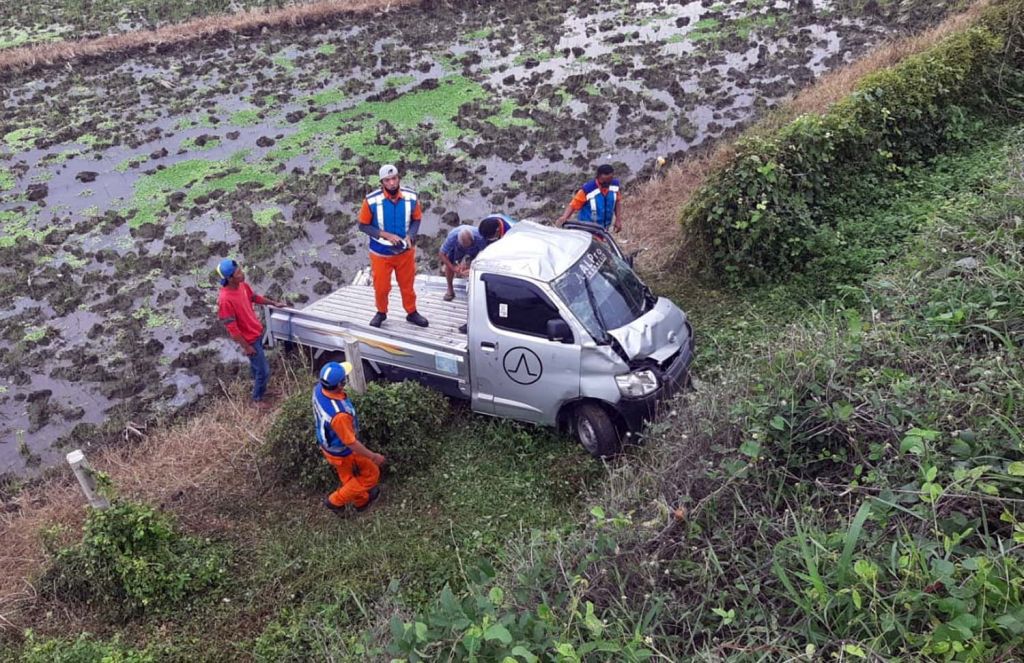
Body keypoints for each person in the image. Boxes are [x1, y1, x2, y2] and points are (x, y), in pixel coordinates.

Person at [357, 164, 429, 328]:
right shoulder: (371, 201)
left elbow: (417, 219)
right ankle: (381, 312)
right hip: (381, 253)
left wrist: (411, 235)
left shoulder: (411, 197)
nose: (391, 183)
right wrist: (386, 235)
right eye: (387, 180)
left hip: (405, 252)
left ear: (399, 178)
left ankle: (411, 312)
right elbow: (363, 225)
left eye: (394, 178)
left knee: (407, 285)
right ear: (382, 182)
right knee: (381, 287)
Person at [313, 361, 385, 514]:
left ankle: (362, 502)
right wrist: (373, 456)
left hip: (329, 446)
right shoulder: (339, 416)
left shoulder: (319, 389)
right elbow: (351, 442)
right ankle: (334, 501)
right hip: (342, 451)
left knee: (347, 478)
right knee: (372, 474)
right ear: (339, 385)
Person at [216, 258, 286, 410]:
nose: (242, 274)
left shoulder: (242, 286)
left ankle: (263, 389)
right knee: (263, 370)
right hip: (249, 340)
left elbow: (254, 297)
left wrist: (273, 303)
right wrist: (247, 347)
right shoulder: (225, 300)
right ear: (229, 278)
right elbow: (233, 330)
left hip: (257, 332)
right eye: (238, 273)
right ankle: (256, 399)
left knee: (257, 368)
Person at [556, 164, 623, 232]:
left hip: (603, 229)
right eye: (604, 181)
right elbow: (573, 205)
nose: (607, 184)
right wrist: (565, 217)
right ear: (598, 177)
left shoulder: (614, 186)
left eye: (609, 180)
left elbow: (617, 201)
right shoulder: (587, 190)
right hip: (587, 229)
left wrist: (618, 219)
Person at [439, 225, 487, 301]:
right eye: (464, 246)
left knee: (476, 267)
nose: (466, 248)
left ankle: (475, 287)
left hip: (475, 249)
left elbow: (485, 257)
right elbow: (442, 254)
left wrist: (471, 268)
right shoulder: (452, 237)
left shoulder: (481, 238)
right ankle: (450, 289)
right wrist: (453, 268)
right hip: (458, 249)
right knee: (449, 262)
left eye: (467, 245)